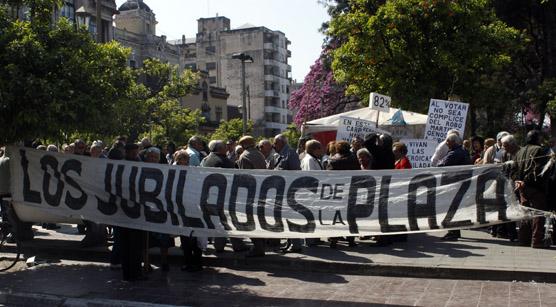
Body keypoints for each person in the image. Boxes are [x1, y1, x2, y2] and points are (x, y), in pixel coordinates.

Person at [202, 140, 248, 253]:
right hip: (223, 198)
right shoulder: (225, 162)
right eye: (224, 147)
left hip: (209, 197)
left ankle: (219, 246)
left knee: (219, 223)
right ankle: (237, 245)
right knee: (229, 222)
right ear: (220, 149)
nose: (227, 149)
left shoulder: (206, 160)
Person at [511, 130, 550, 248]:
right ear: (537, 139)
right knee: (538, 214)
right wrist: (523, 181)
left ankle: (523, 239)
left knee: (525, 213)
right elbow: (537, 170)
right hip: (535, 187)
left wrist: (517, 181)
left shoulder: (519, 151)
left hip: (522, 188)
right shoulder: (539, 150)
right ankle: (536, 241)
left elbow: (513, 170)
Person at [236, 136, 269, 257]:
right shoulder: (259, 154)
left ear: (243, 145)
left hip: (251, 194)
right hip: (262, 191)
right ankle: (261, 246)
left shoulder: (244, 156)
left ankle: (258, 248)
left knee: (250, 221)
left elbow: (245, 177)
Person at [119, 143, 147, 281]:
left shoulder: (138, 163)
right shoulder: (122, 165)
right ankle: (130, 272)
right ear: (127, 152)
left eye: (136, 152)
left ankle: (134, 271)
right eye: (133, 152)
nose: (135, 154)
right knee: (129, 245)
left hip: (136, 211)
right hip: (126, 212)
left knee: (136, 246)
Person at [272, 134, 304, 253]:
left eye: (275, 143)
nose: (273, 145)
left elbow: (295, 172)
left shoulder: (290, 154)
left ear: (281, 143)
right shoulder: (278, 155)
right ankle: (290, 242)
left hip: (289, 191)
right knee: (285, 218)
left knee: (292, 218)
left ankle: (296, 244)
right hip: (281, 191)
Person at [143, 147, 174, 271]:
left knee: (164, 240)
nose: (152, 159)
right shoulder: (141, 169)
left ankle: (164, 261)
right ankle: (146, 262)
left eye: (155, 157)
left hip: (161, 209)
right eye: (150, 157)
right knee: (145, 240)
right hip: (146, 210)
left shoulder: (165, 171)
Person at [438, 133, 471, 241]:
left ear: (453, 142)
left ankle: (453, 231)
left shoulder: (454, 153)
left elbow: (442, 165)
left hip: (454, 184)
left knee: (451, 209)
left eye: (447, 141)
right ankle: (455, 231)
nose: (446, 143)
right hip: (460, 183)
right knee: (455, 208)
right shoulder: (463, 151)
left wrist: (439, 163)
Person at [326, 141, 359, 248]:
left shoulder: (332, 160)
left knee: (336, 217)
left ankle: (334, 240)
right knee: (351, 217)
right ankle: (351, 240)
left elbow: (328, 176)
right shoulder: (354, 159)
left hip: (337, 191)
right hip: (351, 191)